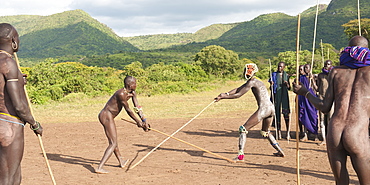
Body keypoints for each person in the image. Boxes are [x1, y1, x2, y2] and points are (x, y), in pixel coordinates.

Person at [293, 35, 370, 184]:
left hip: (334, 131)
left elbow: (324, 107)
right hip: (357, 132)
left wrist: (305, 92)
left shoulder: (336, 72)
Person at [0, 23, 43, 185]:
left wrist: (19, 82)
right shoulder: (8, 63)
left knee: (15, 177)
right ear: (13, 41)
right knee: (7, 180)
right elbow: (18, 105)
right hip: (9, 125)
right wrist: (34, 123)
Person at [214, 63, 285, 162]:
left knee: (243, 129)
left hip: (264, 109)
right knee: (265, 131)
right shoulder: (257, 81)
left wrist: (224, 97)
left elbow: (238, 94)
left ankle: (240, 156)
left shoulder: (252, 82)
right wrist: (225, 93)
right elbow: (239, 89)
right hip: (271, 108)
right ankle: (280, 150)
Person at [95, 76, 150, 174]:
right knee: (113, 143)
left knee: (114, 140)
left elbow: (137, 107)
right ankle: (100, 167)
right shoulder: (121, 94)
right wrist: (138, 122)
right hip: (106, 116)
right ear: (129, 85)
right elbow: (128, 110)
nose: (136, 85)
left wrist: (144, 120)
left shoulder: (132, 93)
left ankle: (121, 161)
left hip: (110, 117)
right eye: (135, 83)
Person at [268, 62, 291, 140]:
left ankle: (288, 132)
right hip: (276, 95)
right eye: (278, 66)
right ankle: (278, 132)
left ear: (284, 67)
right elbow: (270, 87)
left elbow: (289, 87)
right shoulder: (274, 75)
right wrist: (271, 84)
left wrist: (287, 83)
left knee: (286, 113)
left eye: (281, 67)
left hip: (284, 95)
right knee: (277, 113)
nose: (279, 68)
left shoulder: (286, 75)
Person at [298, 64, 318, 141]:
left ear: (310, 68)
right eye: (304, 68)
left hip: (312, 99)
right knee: (304, 116)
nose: (305, 69)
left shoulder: (313, 77)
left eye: (307, 67)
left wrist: (312, 80)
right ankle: (305, 135)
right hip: (304, 99)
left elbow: (316, 89)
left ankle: (315, 135)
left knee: (313, 117)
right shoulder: (302, 78)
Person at [315, 60, 333, 146]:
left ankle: (330, 140)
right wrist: (312, 80)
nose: (326, 66)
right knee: (322, 120)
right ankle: (324, 139)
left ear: (331, 65)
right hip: (321, 98)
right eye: (325, 64)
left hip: (331, 99)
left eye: (328, 64)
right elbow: (317, 88)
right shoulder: (320, 75)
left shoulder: (333, 75)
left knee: (330, 119)